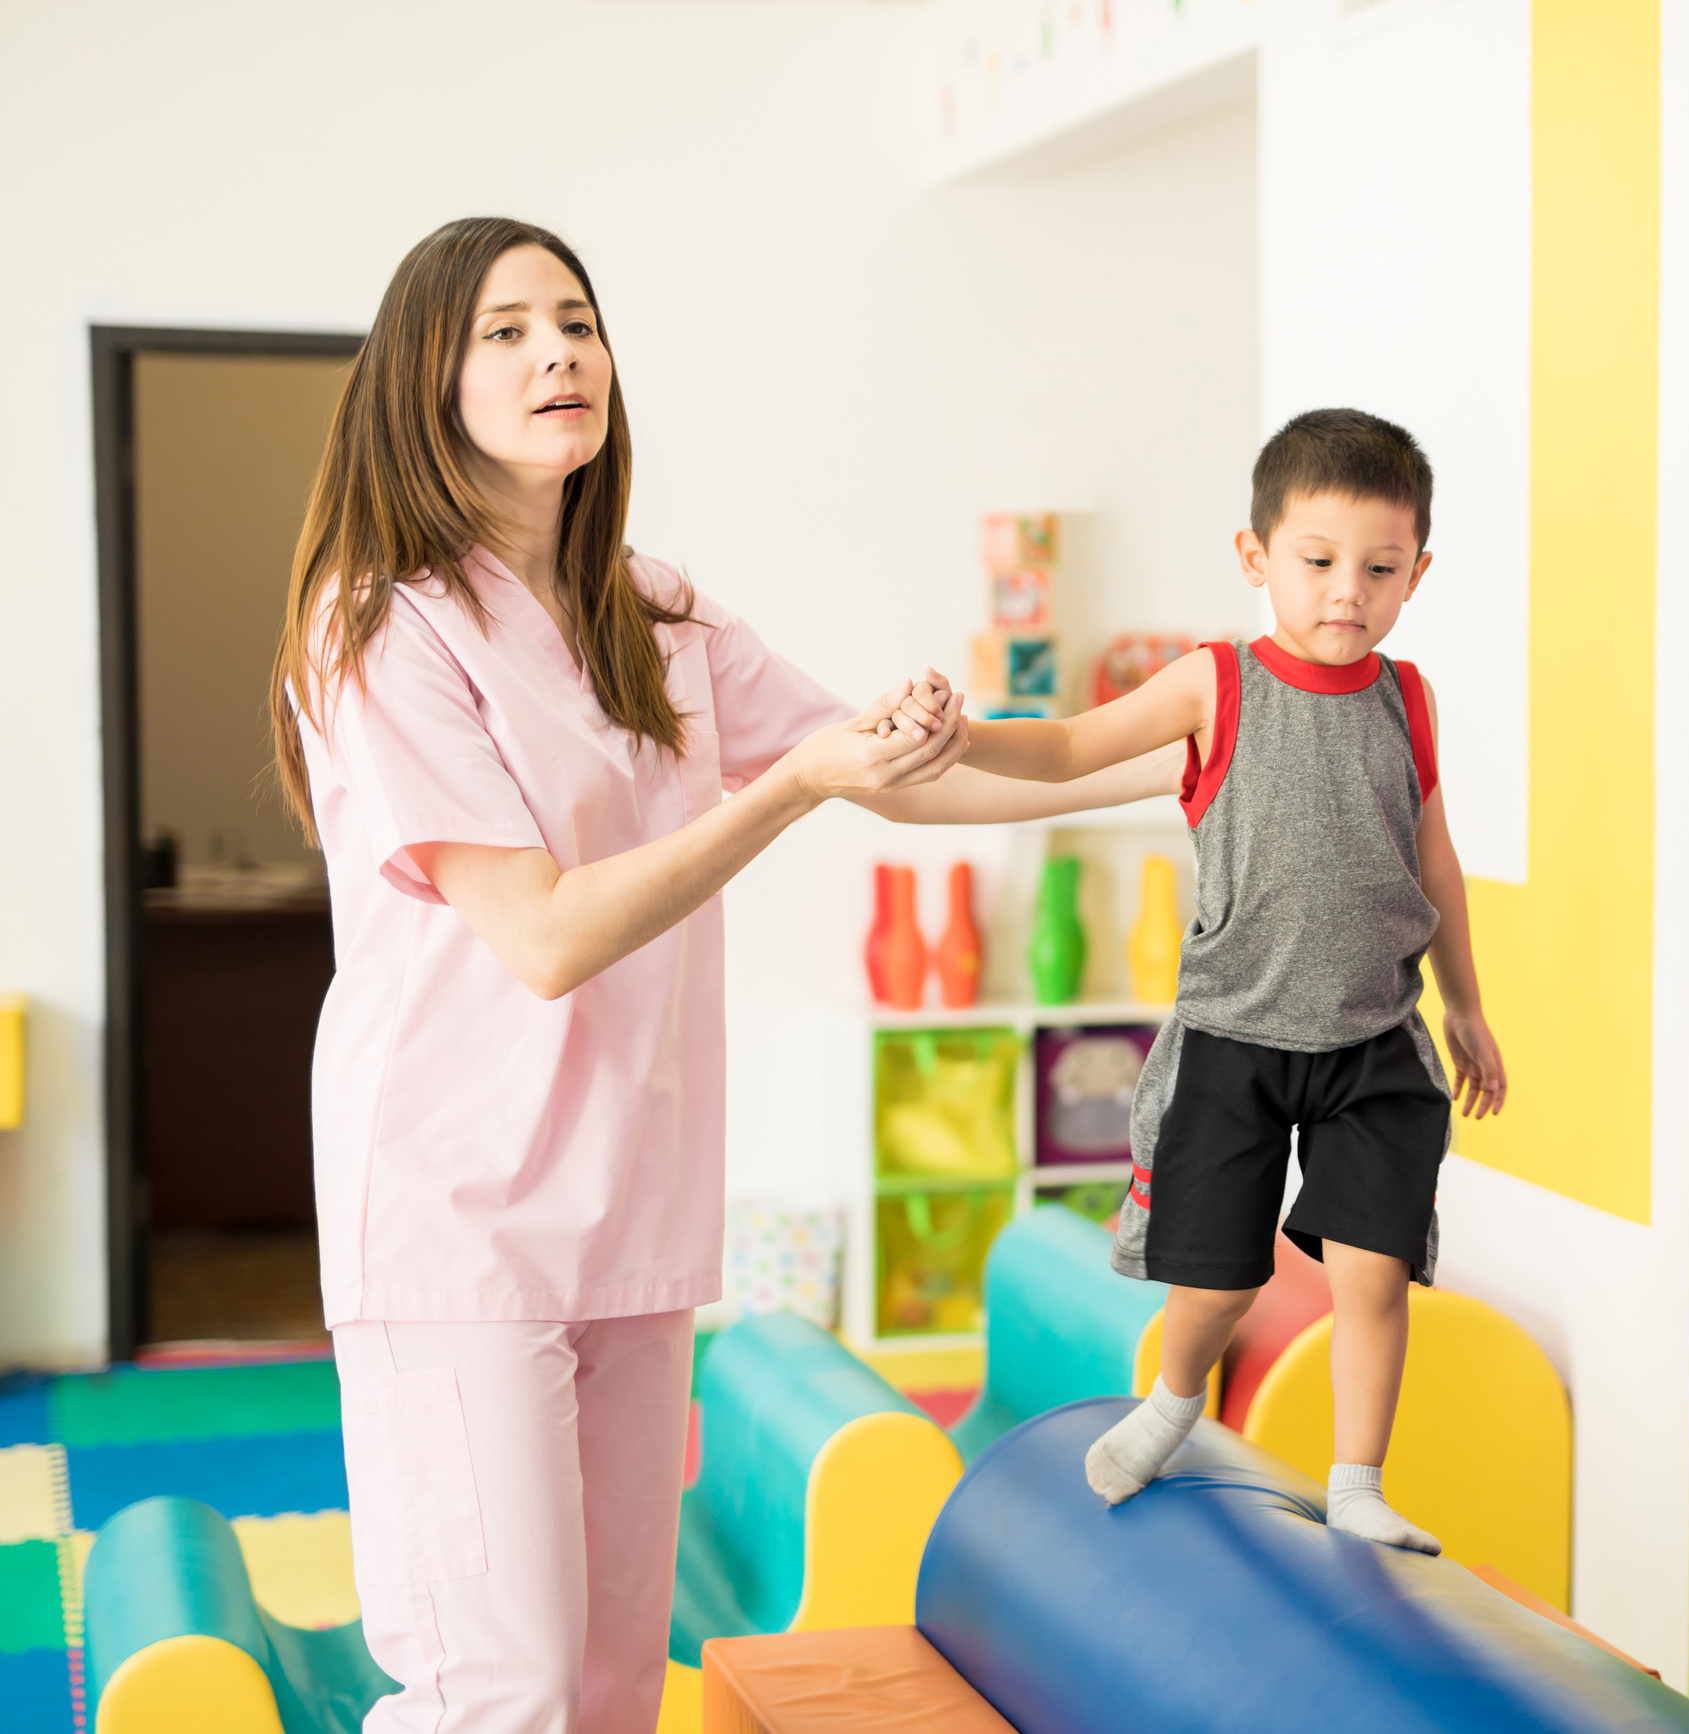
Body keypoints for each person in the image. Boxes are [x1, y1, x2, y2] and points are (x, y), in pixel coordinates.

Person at [267, 216, 1170, 1733]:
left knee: (615, 1689)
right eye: (505, 330)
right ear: (423, 382)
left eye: (577, 319)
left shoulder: (653, 607)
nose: (560, 351)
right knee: (506, 1690)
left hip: (626, 1210)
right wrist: (789, 787)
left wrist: (1167, 756)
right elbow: (547, 932)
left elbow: (897, 773)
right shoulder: (380, 624)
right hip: (453, 1225)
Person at [938, 406, 1509, 1552]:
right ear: (1256, 559)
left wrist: (1466, 1004)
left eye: (1379, 568)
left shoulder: (1410, 700)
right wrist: (961, 732)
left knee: (1376, 1274)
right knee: (1215, 1285)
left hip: (1371, 1041)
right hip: (1234, 1039)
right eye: (1316, 562)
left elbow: (1432, 856)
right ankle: (1176, 1397)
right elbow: (1062, 749)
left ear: (1416, 575)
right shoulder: (1215, 684)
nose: (1346, 590)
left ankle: (1355, 1482)